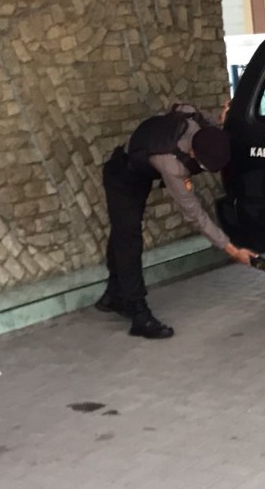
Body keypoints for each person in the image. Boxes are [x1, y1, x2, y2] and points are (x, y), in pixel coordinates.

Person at [97, 102, 255, 339]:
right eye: (201, 165)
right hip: (122, 176)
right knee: (129, 238)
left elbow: (183, 108)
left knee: (122, 231)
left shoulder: (194, 119)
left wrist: (221, 122)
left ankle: (113, 293)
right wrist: (232, 250)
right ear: (192, 153)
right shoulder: (172, 165)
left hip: (140, 170)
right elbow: (196, 216)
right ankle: (138, 313)